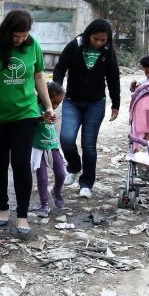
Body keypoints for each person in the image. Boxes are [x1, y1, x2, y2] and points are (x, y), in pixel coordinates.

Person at [0, 9, 55, 235]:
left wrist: (47, 105)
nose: (20, 40)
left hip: (25, 114)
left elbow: (39, 76)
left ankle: (22, 215)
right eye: (16, 36)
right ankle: (3, 208)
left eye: (24, 36)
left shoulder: (32, 45)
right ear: (7, 30)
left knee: (21, 163)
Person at [53, 19, 121, 199]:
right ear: (88, 34)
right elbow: (60, 68)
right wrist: (56, 89)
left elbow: (113, 78)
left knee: (88, 145)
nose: (99, 43)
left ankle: (86, 182)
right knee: (66, 138)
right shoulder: (75, 46)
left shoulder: (108, 52)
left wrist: (116, 103)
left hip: (96, 104)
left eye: (103, 40)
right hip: (72, 101)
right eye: (96, 39)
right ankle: (74, 167)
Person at [31, 82, 67, 217]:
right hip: (38, 148)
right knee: (42, 178)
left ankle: (56, 191)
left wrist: (51, 117)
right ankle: (44, 204)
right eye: (55, 103)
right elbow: (31, 121)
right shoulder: (35, 107)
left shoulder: (51, 111)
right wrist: (42, 118)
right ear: (46, 97)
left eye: (59, 104)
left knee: (62, 173)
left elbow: (51, 122)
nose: (56, 106)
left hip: (53, 146)